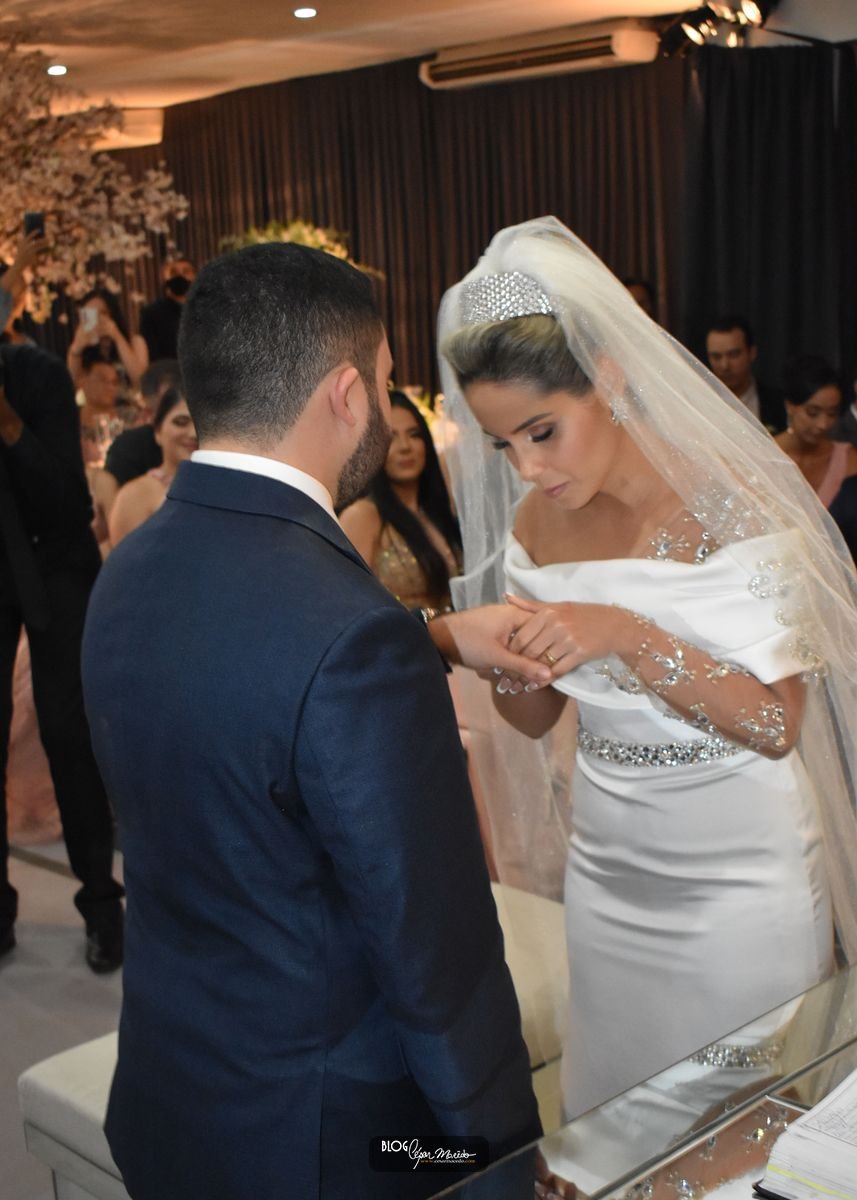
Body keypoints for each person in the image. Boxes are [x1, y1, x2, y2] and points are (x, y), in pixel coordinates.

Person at [81, 242, 547, 1200]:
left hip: (175, 1100)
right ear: (345, 393)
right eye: (383, 378)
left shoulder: (131, 565)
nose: (386, 401)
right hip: (342, 1147)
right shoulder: (348, 633)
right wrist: (495, 1161)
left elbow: (250, 689)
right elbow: (438, 961)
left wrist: (432, 637)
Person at [437, 217, 857, 1129]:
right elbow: (534, 719)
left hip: (740, 873)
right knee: (614, 1112)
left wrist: (625, 633)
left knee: (734, 1123)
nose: (528, 468)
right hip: (610, 868)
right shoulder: (533, 527)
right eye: (504, 445)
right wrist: (514, 661)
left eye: (542, 431)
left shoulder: (732, 503)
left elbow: (774, 724)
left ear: (610, 378)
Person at [0, 342, 124, 969]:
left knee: (68, 732)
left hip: (57, 563)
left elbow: (66, 499)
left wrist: (7, 424)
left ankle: (101, 904)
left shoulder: (38, 376)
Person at [340, 391, 461, 608]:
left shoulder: (436, 511)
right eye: (391, 438)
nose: (405, 446)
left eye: (414, 435)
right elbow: (348, 604)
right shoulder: (363, 515)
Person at [109, 388, 197, 546]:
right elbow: (125, 559)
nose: (193, 434)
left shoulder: (222, 487)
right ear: (158, 431)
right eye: (181, 422)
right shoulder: (135, 495)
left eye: (201, 425)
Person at [775, 355, 857, 507]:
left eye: (832, 414)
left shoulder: (848, 460)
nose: (823, 424)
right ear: (790, 405)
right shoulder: (765, 455)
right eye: (813, 413)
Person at [705, 315, 785, 431]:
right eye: (716, 357)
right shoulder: (700, 403)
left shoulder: (779, 404)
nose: (724, 365)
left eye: (733, 355)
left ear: (751, 352)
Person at [66, 288, 148, 389]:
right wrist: (77, 348)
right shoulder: (79, 351)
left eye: (102, 313)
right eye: (90, 314)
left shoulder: (135, 342)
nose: (97, 319)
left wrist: (117, 337)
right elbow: (71, 386)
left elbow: (142, 382)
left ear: (113, 315)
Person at [139, 257, 195, 362]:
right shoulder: (151, 314)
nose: (180, 276)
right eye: (174, 272)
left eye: (186, 272)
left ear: (195, 276)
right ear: (165, 278)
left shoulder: (207, 310)